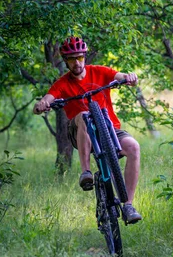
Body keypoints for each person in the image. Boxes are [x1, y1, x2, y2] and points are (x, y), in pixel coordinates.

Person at [33, 36, 142, 223]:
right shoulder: (63, 83)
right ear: (66, 61)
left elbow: (121, 76)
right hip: (80, 132)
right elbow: (48, 98)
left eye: (80, 58)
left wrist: (130, 78)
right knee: (84, 115)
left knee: (133, 147)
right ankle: (86, 172)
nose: (77, 62)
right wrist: (42, 104)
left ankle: (129, 206)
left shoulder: (98, 72)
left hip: (109, 129)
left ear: (84, 57)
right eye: (71, 59)